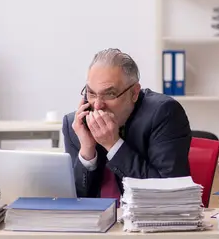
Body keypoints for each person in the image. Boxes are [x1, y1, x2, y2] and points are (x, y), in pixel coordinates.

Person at [61, 48, 192, 199]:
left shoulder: (164, 113)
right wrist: (87, 150)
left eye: (109, 94)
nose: (97, 105)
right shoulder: (75, 125)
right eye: (91, 93)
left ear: (134, 93)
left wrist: (113, 145)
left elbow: (167, 193)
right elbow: (75, 200)